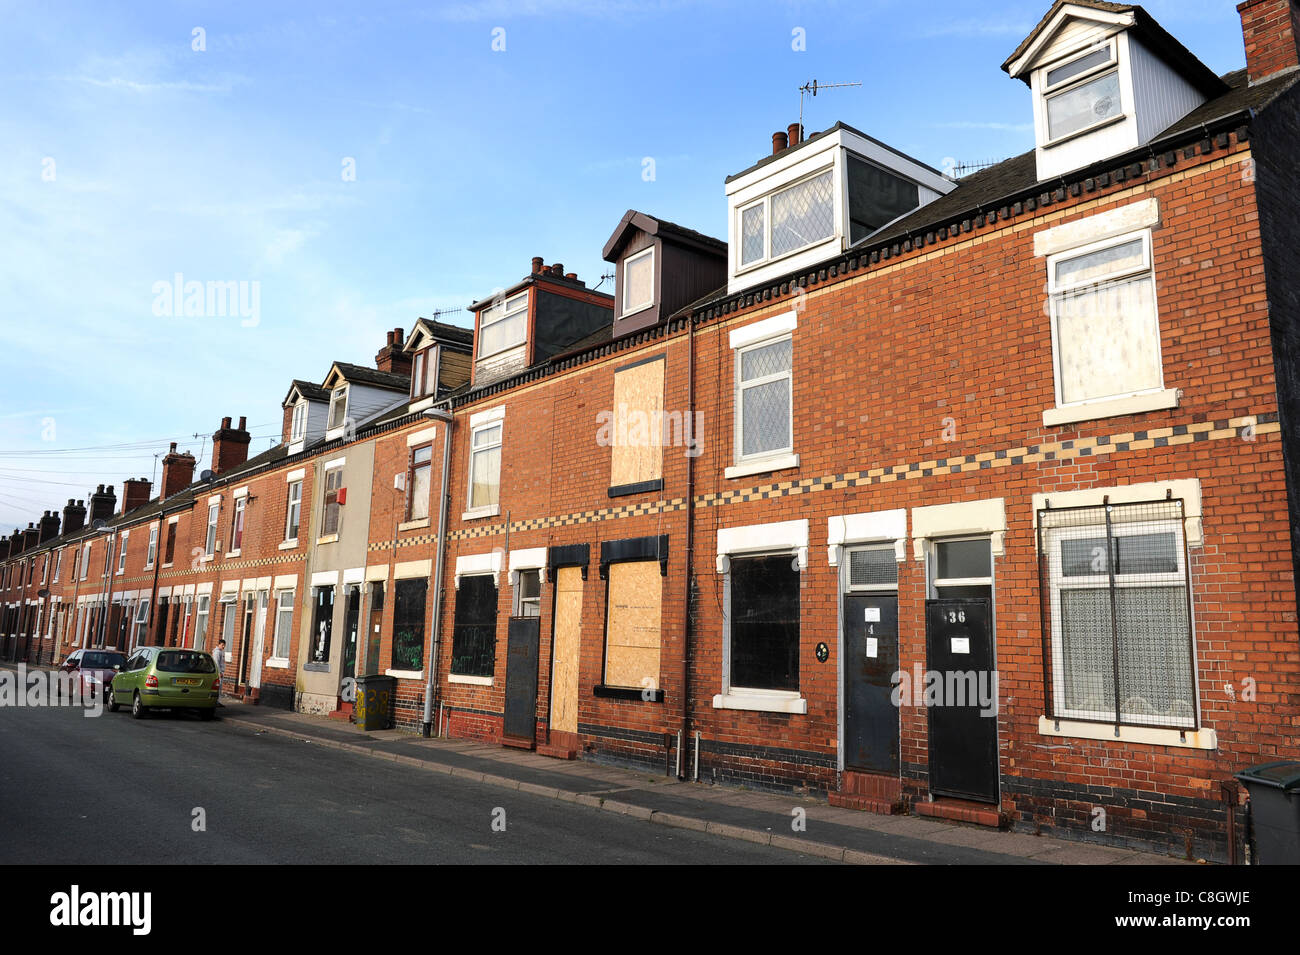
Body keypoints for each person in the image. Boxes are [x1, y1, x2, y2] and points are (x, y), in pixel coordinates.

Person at [213, 639, 227, 707]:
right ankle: (216, 702)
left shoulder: (220, 652)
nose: (223, 646)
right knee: (218, 687)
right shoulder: (217, 652)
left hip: (220, 672)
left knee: (219, 687)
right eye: (222, 645)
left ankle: (217, 701)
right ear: (219, 644)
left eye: (224, 645)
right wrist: (219, 672)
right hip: (219, 673)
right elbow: (216, 663)